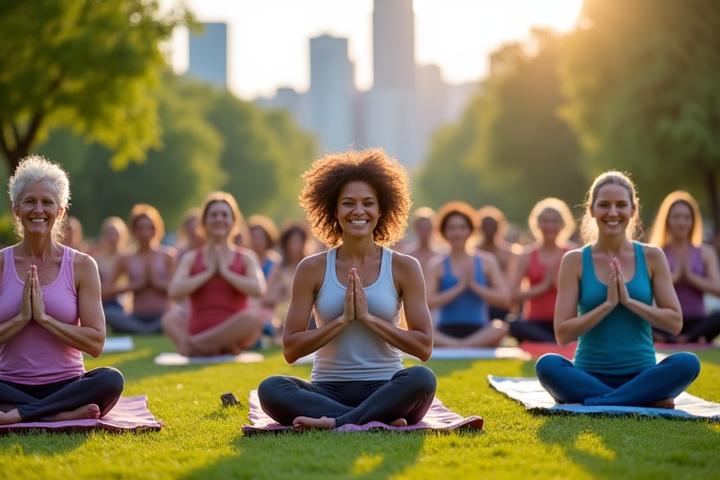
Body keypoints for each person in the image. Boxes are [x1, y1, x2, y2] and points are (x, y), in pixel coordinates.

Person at [258, 149, 436, 429]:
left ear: (381, 210)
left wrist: (368, 319)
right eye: (348, 203)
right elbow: (290, 349)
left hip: (388, 387)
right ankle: (377, 418)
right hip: (328, 389)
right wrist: (342, 321)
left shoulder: (404, 267)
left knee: (423, 379)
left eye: (368, 203)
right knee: (270, 389)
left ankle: (337, 422)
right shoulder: (312, 268)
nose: (358, 211)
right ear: (333, 210)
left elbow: (423, 346)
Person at [536, 171, 701, 408]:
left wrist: (629, 302)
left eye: (621, 205)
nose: (613, 212)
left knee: (688, 363)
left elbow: (674, 323)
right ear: (591, 209)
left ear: (633, 210)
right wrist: (607, 305)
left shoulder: (652, 256)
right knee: (547, 365)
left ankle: (602, 400)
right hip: (588, 375)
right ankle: (643, 400)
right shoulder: (574, 260)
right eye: (604, 205)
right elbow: (563, 334)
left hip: (642, 375)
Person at [0, 155, 124, 425]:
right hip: (8, 384)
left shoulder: (81, 265)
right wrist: (21, 319)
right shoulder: (1, 263)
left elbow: (96, 342)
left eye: (47, 202)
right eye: (30, 201)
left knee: (110, 379)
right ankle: (56, 414)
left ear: (61, 211)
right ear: (16, 209)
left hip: (67, 386)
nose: (38, 209)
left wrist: (45, 319)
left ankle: (21, 414)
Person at [163, 192, 265, 356]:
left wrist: (225, 272)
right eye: (213, 215)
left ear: (233, 222)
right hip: (198, 326)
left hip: (235, 330)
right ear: (204, 222)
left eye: (224, 215)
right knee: (170, 317)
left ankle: (193, 348)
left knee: (254, 317)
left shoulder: (246, 257)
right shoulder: (191, 257)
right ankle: (219, 347)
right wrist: (208, 273)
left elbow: (259, 289)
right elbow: (174, 291)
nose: (219, 219)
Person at [426, 201, 510, 347]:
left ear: (470, 231)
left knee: (500, 328)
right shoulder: (436, 264)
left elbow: (504, 299)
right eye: (451, 228)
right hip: (446, 330)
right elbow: (428, 302)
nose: (457, 233)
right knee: (424, 331)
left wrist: (474, 286)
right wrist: (458, 288)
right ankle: (465, 345)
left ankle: (459, 345)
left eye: (462, 228)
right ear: (444, 232)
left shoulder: (487, 261)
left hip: (479, 329)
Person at [648, 191, 720, 343]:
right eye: (676, 217)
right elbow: (646, 289)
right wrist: (673, 278)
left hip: (698, 320)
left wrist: (692, 278)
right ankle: (685, 338)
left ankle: (682, 338)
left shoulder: (705, 252)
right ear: (667, 220)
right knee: (637, 316)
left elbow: (717, 289)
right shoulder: (656, 252)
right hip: (666, 320)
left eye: (686, 217)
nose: (681, 222)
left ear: (693, 221)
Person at [508, 198, 575, 343]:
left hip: (566, 322)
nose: (549, 226)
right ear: (537, 224)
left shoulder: (574, 253)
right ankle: (553, 342)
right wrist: (543, 286)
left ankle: (554, 341)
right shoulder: (526, 255)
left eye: (554, 221)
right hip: (534, 322)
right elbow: (512, 297)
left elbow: (584, 293)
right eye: (545, 221)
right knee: (514, 324)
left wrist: (559, 286)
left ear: (563, 224)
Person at [105, 204, 175, 334]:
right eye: (141, 228)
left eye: (149, 228)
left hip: (162, 314)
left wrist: (157, 283)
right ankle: (147, 330)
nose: (145, 233)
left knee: (179, 314)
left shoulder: (167, 256)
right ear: (133, 231)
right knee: (109, 313)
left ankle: (144, 331)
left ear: (157, 229)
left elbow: (178, 290)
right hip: (136, 316)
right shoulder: (126, 258)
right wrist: (134, 285)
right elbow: (105, 291)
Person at [261, 223, 311, 337]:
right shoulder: (279, 266)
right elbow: (266, 296)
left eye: (299, 242)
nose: (296, 246)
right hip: (281, 312)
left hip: (306, 313)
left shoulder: (310, 265)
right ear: (286, 244)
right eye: (293, 242)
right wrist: (280, 293)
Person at [476, 205, 517, 322]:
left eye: (492, 225)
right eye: (485, 225)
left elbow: (512, 283)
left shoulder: (509, 252)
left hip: (502, 303)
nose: (489, 229)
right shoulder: (473, 252)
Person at [91, 216, 130, 319]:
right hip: (100, 301)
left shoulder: (128, 259)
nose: (113, 238)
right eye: (109, 234)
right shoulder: (96, 260)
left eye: (116, 234)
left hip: (120, 302)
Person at [404, 207, 443, 278]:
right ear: (415, 228)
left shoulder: (441, 255)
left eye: (428, 228)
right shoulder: (407, 255)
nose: (424, 232)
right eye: (421, 228)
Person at [248, 215, 282, 281]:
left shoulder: (275, 261)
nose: (257, 241)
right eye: (254, 237)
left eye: (260, 237)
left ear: (267, 239)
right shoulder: (244, 259)